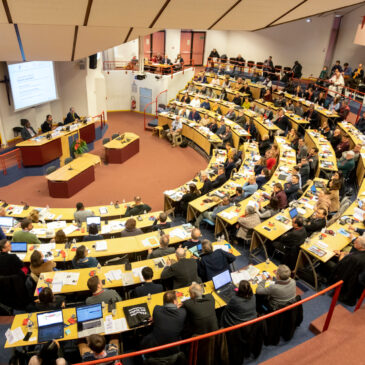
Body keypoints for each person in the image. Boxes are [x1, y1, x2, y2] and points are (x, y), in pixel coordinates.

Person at [141, 291, 186, 358]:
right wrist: (176, 308)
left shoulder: (156, 309)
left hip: (156, 347)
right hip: (173, 348)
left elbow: (162, 309)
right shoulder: (182, 313)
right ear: (174, 301)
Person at [329, 236, 365, 305]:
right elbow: (353, 254)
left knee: (328, 263)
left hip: (349, 279)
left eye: (356, 242)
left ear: (360, 246)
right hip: (358, 278)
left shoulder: (353, 259)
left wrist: (341, 256)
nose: (354, 242)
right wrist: (343, 253)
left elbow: (341, 265)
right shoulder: (360, 253)